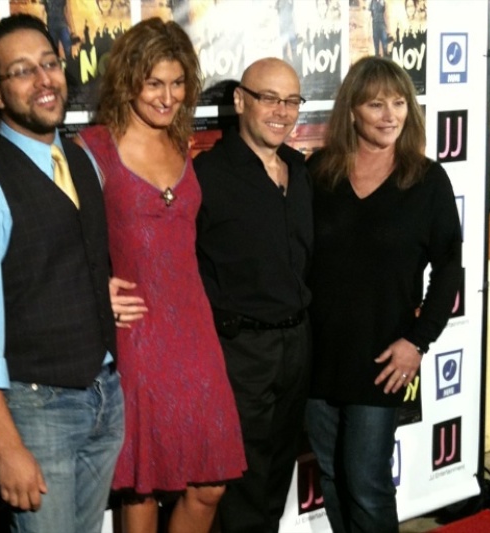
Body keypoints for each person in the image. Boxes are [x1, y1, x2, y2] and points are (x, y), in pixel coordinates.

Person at [0, 14, 124, 533]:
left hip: (105, 394)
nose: (44, 80)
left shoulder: (82, 161)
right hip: (37, 411)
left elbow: (56, 266)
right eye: (22, 71)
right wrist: (8, 444)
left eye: (49, 64)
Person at [77, 18, 246, 533]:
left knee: (209, 484)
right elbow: (58, 242)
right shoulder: (92, 148)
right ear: (129, 80)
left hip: (194, 330)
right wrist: (92, 292)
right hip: (136, 334)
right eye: (154, 83)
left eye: (177, 83)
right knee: (143, 485)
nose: (167, 96)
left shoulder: (183, 144)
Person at [305, 56, 462, 533]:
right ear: (352, 110)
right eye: (376, 104)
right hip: (317, 355)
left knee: (367, 483)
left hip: (381, 360)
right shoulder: (320, 174)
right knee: (332, 476)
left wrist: (418, 342)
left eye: (399, 102)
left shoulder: (427, 180)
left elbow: (449, 270)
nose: (390, 114)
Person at [194, 57, 313, 533]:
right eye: (269, 98)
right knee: (240, 479)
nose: (282, 111)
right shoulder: (207, 176)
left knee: (279, 471)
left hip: (298, 347)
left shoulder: (301, 172)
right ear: (241, 101)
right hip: (239, 351)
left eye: (291, 101)